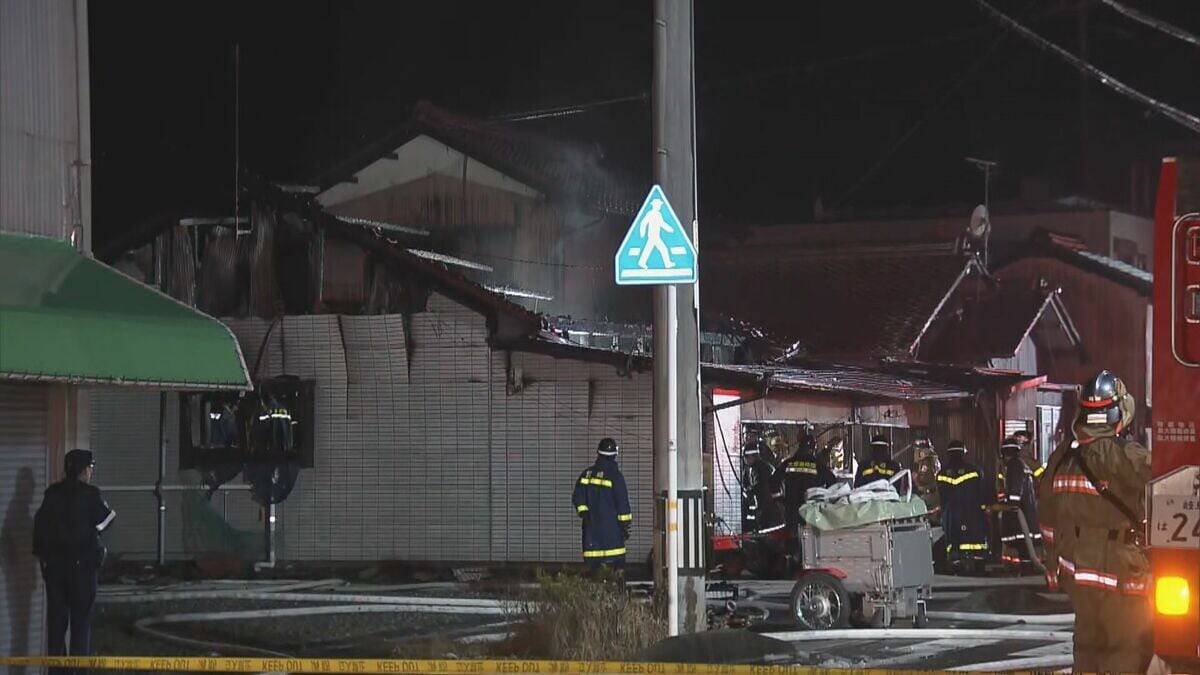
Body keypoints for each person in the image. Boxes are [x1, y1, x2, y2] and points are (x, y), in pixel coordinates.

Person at [1039, 371, 1151, 673]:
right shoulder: (1125, 456)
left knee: (1088, 650)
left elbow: (1047, 517)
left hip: (1079, 576)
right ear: (1117, 413)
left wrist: (1054, 566)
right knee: (1125, 650)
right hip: (1120, 573)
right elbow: (1169, 479)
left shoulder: (1061, 458)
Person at [32, 449, 115, 666]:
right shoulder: (90, 494)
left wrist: (44, 560)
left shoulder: (51, 494)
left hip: (55, 571)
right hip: (82, 570)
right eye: (91, 468)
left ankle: (56, 670)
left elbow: (39, 528)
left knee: (57, 625)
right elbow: (106, 521)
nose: (91, 472)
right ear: (85, 470)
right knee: (81, 625)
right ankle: (78, 670)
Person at [572, 438, 632, 570]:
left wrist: (585, 513)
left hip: (591, 533)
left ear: (598, 453)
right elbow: (623, 505)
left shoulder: (587, 475)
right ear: (615, 455)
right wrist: (625, 526)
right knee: (615, 575)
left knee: (594, 575)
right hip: (612, 534)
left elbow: (577, 497)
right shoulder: (615, 476)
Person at [937, 440, 989, 568]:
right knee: (974, 538)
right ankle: (977, 560)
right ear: (963, 453)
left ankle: (955, 561)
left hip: (951, 514)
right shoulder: (975, 471)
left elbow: (940, 496)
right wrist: (984, 509)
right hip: (972, 513)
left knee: (953, 538)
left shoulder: (941, 473)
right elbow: (982, 492)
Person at [781, 433, 836, 535]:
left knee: (792, 540)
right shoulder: (818, 466)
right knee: (810, 542)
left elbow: (773, 482)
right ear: (812, 449)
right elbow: (833, 483)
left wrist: (782, 501)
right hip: (811, 511)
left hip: (791, 511)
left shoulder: (787, 464)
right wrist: (823, 498)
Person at [999, 436, 1041, 565]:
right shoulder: (1022, 463)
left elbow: (1016, 489)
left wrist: (1011, 504)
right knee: (1024, 546)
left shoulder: (1014, 465)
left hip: (1019, 513)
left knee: (1020, 543)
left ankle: (1023, 566)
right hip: (1027, 512)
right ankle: (1024, 564)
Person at [741, 439, 784, 534]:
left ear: (752, 456)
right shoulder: (765, 466)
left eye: (745, 457)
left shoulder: (758, 468)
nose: (744, 460)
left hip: (769, 506)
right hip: (773, 505)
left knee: (766, 533)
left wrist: (749, 491)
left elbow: (760, 486)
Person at [912, 438, 942, 524]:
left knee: (930, 520)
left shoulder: (927, 463)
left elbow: (924, 479)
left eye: (917, 450)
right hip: (930, 494)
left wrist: (915, 477)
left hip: (929, 496)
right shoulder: (930, 460)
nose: (915, 453)